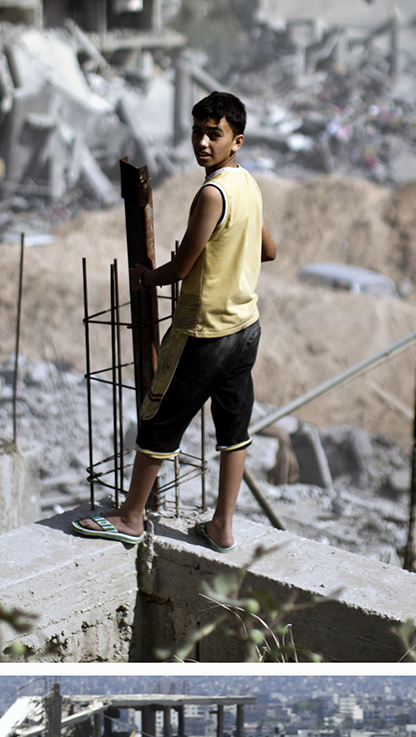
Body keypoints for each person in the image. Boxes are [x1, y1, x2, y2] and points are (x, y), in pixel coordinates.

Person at [73, 91, 275, 552]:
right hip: (246, 327)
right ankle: (222, 527)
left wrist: (147, 279)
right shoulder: (249, 184)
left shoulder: (212, 192)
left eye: (214, 134)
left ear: (236, 140)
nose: (203, 142)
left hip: (204, 331)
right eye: (197, 131)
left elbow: (182, 266)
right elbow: (269, 250)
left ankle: (128, 516)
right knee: (234, 430)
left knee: (159, 422)